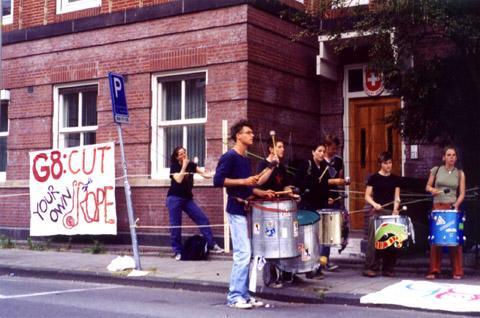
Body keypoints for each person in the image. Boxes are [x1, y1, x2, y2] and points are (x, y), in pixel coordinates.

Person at [213, 119, 270, 309]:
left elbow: (250, 186)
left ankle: (244, 295)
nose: (252, 135)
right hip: (236, 209)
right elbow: (218, 180)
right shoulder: (230, 156)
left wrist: (259, 187)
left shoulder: (245, 159)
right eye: (248, 132)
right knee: (243, 253)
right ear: (238, 135)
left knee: (248, 253)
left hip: (247, 210)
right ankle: (235, 296)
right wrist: (243, 182)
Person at [294, 143, 347, 279]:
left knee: (317, 239)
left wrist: (327, 197)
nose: (322, 153)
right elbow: (298, 182)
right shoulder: (307, 165)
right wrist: (311, 183)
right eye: (319, 151)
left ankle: (315, 267)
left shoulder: (324, 167)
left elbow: (324, 186)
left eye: (323, 151)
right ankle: (307, 267)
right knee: (307, 240)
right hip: (306, 207)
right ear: (313, 152)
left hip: (318, 206)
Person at [167, 146, 224, 261]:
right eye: (180, 154)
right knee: (176, 226)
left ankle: (212, 244)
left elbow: (205, 174)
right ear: (177, 157)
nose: (183, 156)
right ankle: (177, 251)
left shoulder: (191, 165)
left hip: (187, 198)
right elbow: (178, 180)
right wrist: (183, 166)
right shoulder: (174, 166)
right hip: (174, 198)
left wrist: (217, 173)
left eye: (184, 153)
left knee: (202, 219)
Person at [425, 146, 466, 280]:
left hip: (453, 208)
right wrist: (433, 190)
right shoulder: (436, 171)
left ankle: (457, 271)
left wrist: (456, 205)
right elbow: (428, 186)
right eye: (448, 155)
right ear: (444, 157)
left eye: (453, 155)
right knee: (436, 240)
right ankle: (434, 270)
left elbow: (462, 193)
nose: (451, 157)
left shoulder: (460, 173)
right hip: (437, 207)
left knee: (454, 239)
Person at [363, 151, 401, 278]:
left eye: (390, 163)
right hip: (377, 211)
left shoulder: (395, 179)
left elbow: (397, 197)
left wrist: (396, 209)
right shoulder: (373, 178)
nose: (389, 165)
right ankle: (370, 267)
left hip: (390, 212)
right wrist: (374, 204)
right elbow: (367, 196)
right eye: (386, 163)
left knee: (391, 240)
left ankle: (388, 268)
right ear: (380, 164)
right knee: (374, 240)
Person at [320, 134, 346, 271]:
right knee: (323, 229)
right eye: (333, 148)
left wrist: (343, 183)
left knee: (331, 230)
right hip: (322, 198)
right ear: (326, 147)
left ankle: (326, 260)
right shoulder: (320, 160)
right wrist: (334, 181)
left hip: (335, 198)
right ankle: (321, 261)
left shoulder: (339, 161)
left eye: (337, 148)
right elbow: (318, 181)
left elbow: (340, 178)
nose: (335, 151)